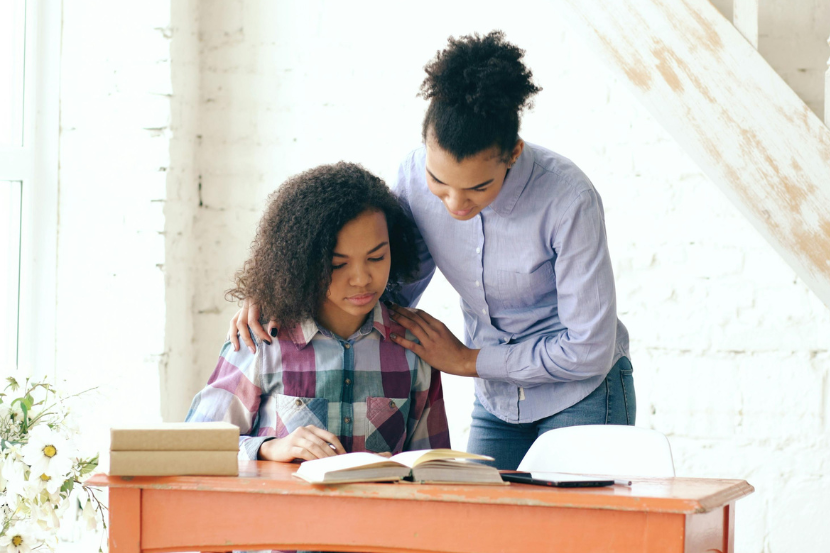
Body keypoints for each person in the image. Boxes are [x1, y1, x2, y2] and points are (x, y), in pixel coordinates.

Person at [230, 31, 635, 470]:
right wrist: (280, 295)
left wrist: (466, 359)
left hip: (582, 392)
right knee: (477, 531)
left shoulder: (568, 199)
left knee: (574, 538)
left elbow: (589, 348)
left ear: (513, 154)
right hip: (498, 400)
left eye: (479, 187)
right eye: (439, 183)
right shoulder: (409, 177)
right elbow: (385, 283)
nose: (456, 204)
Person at [187, 162, 450, 468]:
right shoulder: (261, 340)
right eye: (339, 265)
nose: (362, 279)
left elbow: (435, 468)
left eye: (377, 257)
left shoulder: (414, 348)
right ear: (303, 262)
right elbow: (194, 444)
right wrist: (268, 448)